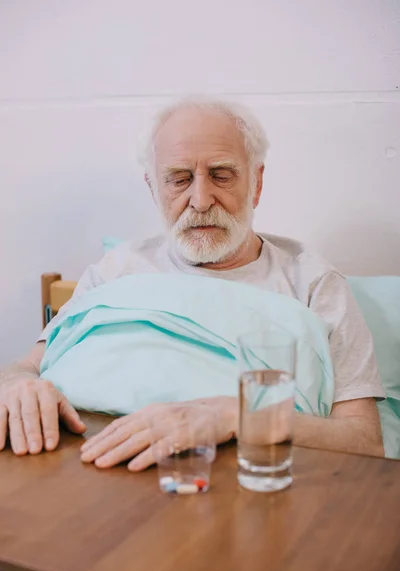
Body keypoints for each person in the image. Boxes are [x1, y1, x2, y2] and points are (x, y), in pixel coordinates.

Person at [0, 97, 385, 469]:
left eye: (221, 175)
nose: (200, 200)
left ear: (257, 181)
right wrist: (18, 385)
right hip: (73, 465)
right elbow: (25, 367)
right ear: (153, 188)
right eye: (179, 179)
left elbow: (365, 441)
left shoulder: (313, 283)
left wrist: (238, 416)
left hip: (241, 487)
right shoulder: (116, 270)